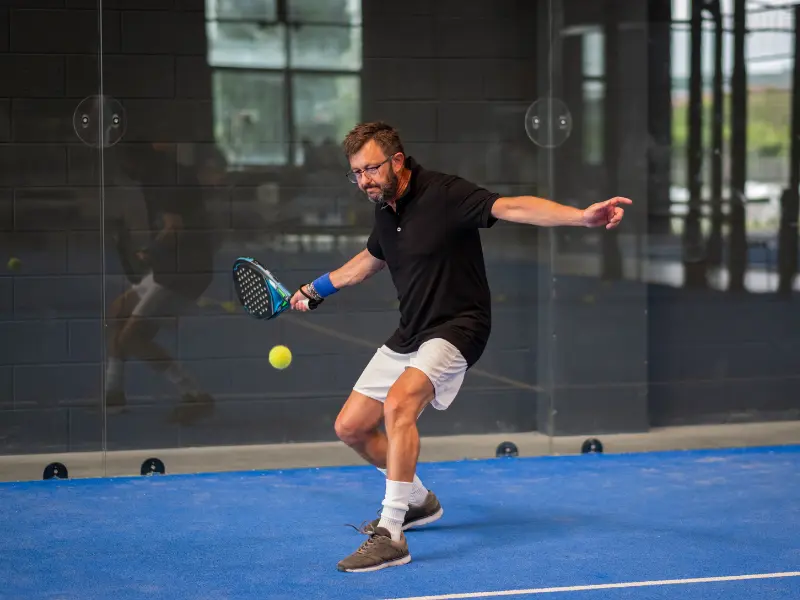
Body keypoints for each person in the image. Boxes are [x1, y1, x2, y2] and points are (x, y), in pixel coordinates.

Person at [289, 122, 631, 573]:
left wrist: (580, 217)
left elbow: (511, 206)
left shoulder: (446, 194)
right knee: (351, 427)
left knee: (399, 405)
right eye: (356, 173)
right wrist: (315, 289)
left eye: (371, 168)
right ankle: (417, 502)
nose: (364, 180)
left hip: (458, 326)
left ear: (397, 160)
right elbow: (369, 261)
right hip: (411, 332)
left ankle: (392, 533)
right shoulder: (385, 209)